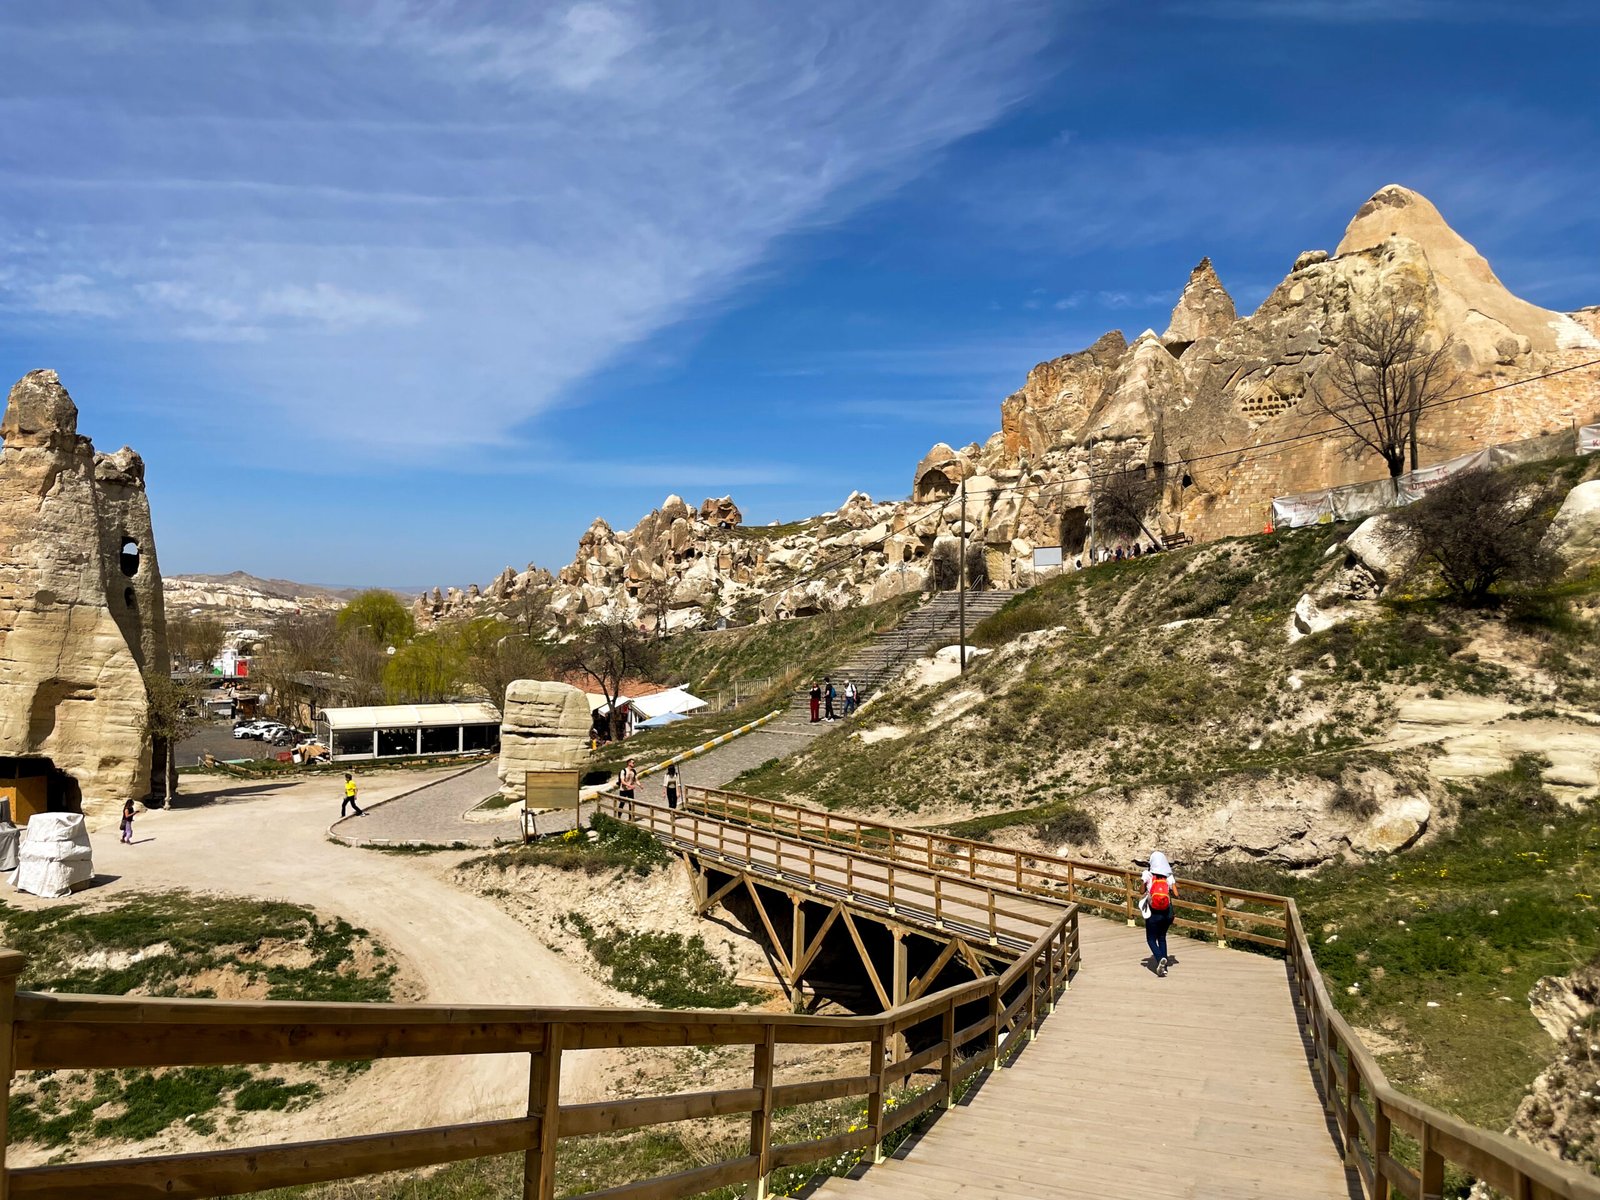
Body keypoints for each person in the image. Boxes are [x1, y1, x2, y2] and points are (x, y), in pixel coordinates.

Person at [1141, 851, 1177, 976]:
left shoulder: (1148, 875)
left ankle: (1160, 957)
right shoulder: (1169, 876)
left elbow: (1141, 890)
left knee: (1151, 939)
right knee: (1162, 938)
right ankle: (1165, 967)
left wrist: (1146, 884)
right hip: (1166, 912)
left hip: (1153, 912)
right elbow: (1176, 893)